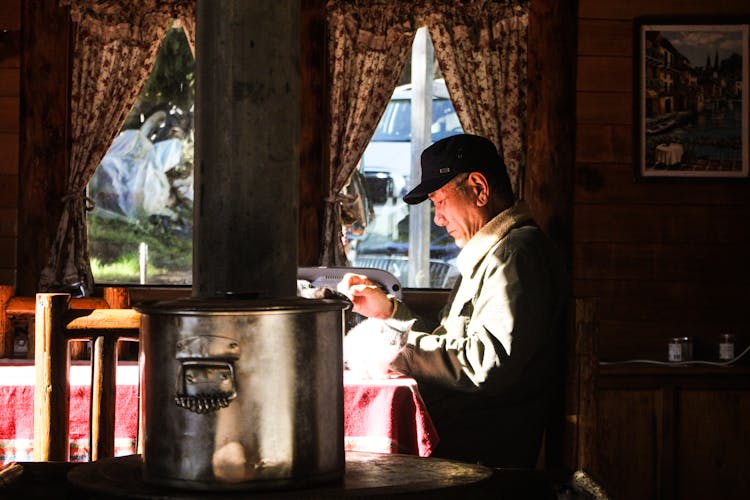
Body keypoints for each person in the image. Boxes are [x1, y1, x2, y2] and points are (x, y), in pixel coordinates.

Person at [337, 133, 569, 467]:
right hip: (467, 430)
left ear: (478, 188)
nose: (437, 218)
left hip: (483, 446)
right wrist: (388, 312)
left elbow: (485, 364)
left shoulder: (516, 256)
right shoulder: (493, 253)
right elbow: (453, 344)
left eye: (440, 201)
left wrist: (396, 349)